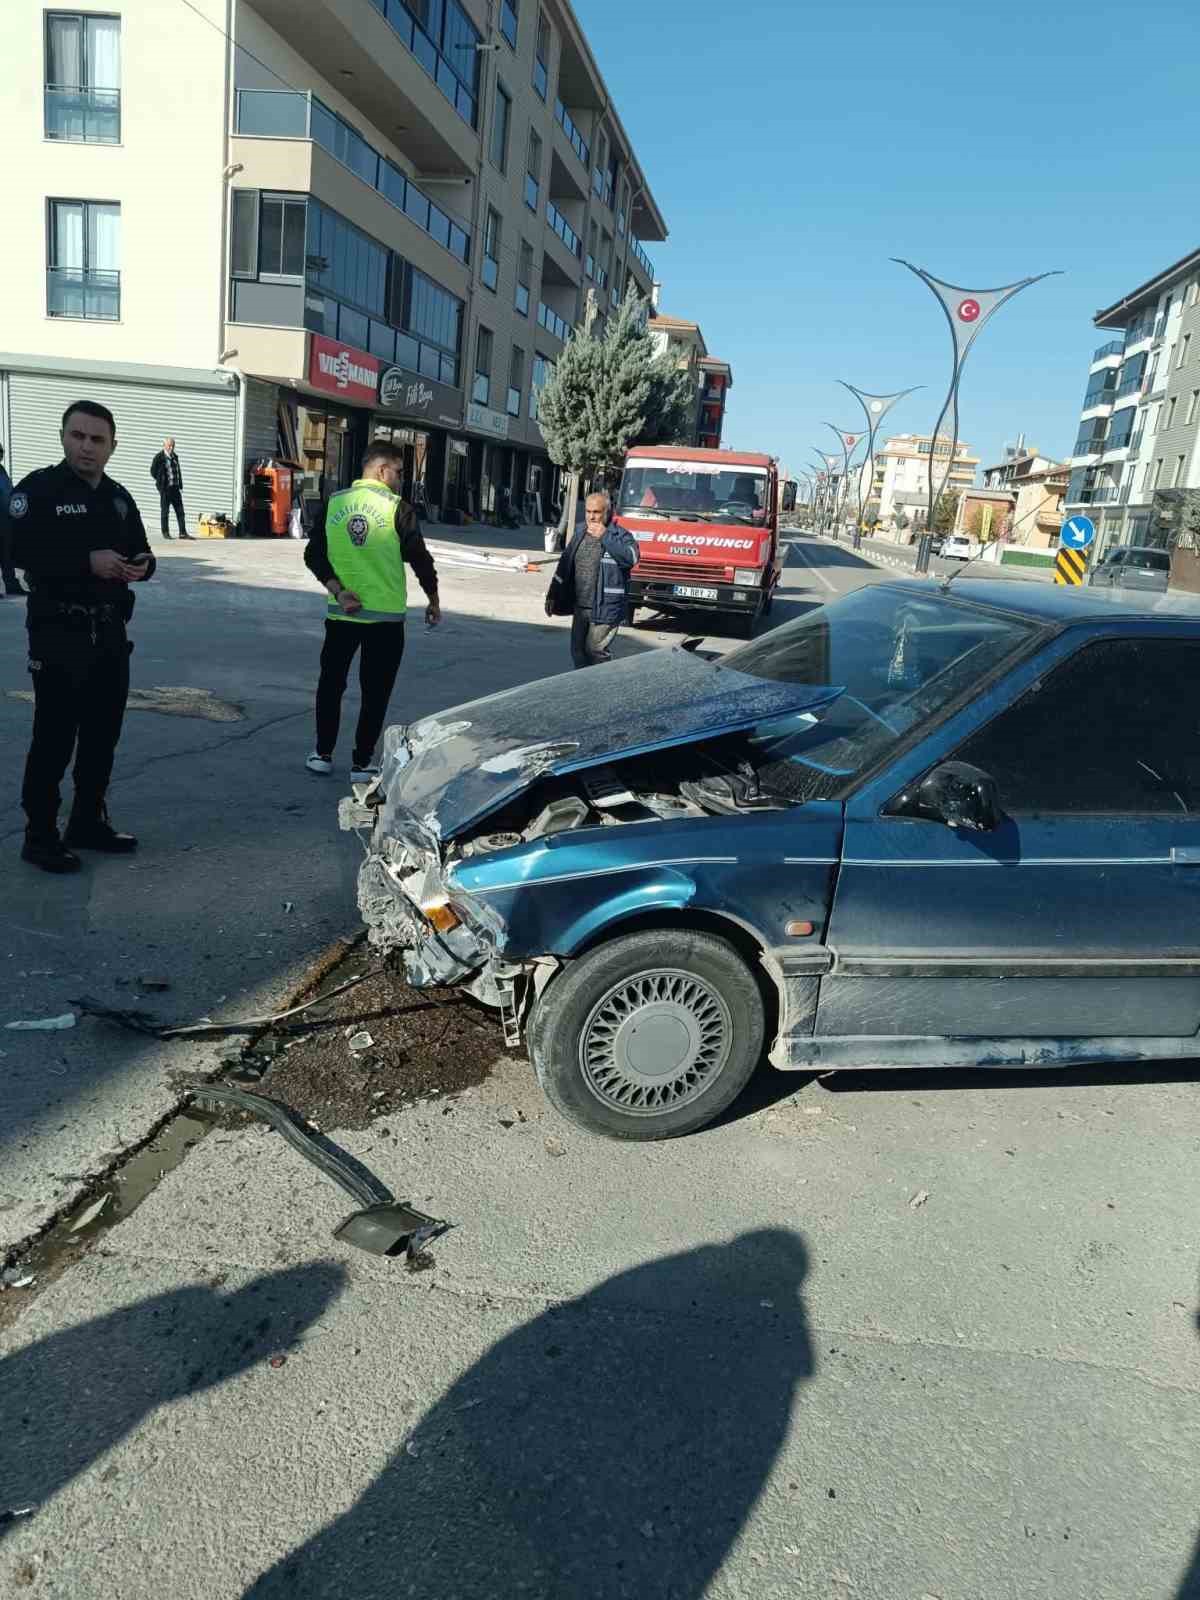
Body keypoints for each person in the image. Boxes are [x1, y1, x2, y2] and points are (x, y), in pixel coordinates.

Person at [11, 400, 155, 873]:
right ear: (63, 437)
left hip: (110, 634)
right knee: (53, 737)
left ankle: (88, 821)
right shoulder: (40, 490)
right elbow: (15, 549)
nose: (86, 446)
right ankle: (40, 834)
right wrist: (83, 561)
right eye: (78, 436)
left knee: (101, 735)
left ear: (113, 446)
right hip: (59, 633)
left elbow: (142, 550)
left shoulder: (118, 496)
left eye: (97, 439)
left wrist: (143, 566)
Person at [303, 442, 441, 782]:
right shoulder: (398, 509)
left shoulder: (335, 503)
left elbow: (313, 555)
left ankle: (322, 753)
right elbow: (420, 559)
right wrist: (433, 597)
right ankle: (362, 762)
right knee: (375, 692)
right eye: (397, 471)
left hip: (342, 615)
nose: (400, 478)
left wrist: (337, 589)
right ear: (381, 470)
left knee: (331, 684)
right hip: (385, 621)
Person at [544, 491, 639, 668]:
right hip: (581, 605)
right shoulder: (580, 531)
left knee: (595, 650)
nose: (591, 516)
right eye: (588, 511)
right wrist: (552, 594)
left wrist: (605, 536)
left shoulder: (620, 535)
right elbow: (564, 566)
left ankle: (602, 688)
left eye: (596, 512)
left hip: (606, 605)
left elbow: (631, 558)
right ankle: (583, 690)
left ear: (607, 512)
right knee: (578, 651)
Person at [150, 436, 190, 539]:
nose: (171, 448)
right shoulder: (159, 457)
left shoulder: (175, 456)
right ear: (164, 446)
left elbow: (178, 471)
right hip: (165, 489)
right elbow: (153, 471)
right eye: (169, 446)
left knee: (180, 511)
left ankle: (182, 533)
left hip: (175, 488)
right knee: (165, 511)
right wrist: (161, 482)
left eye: (173, 446)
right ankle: (165, 532)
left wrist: (180, 484)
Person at [0, 443, 27, 596]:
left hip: (5, 519)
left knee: (7, 554)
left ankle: (11, 585)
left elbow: (8, 491)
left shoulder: (1, 470)